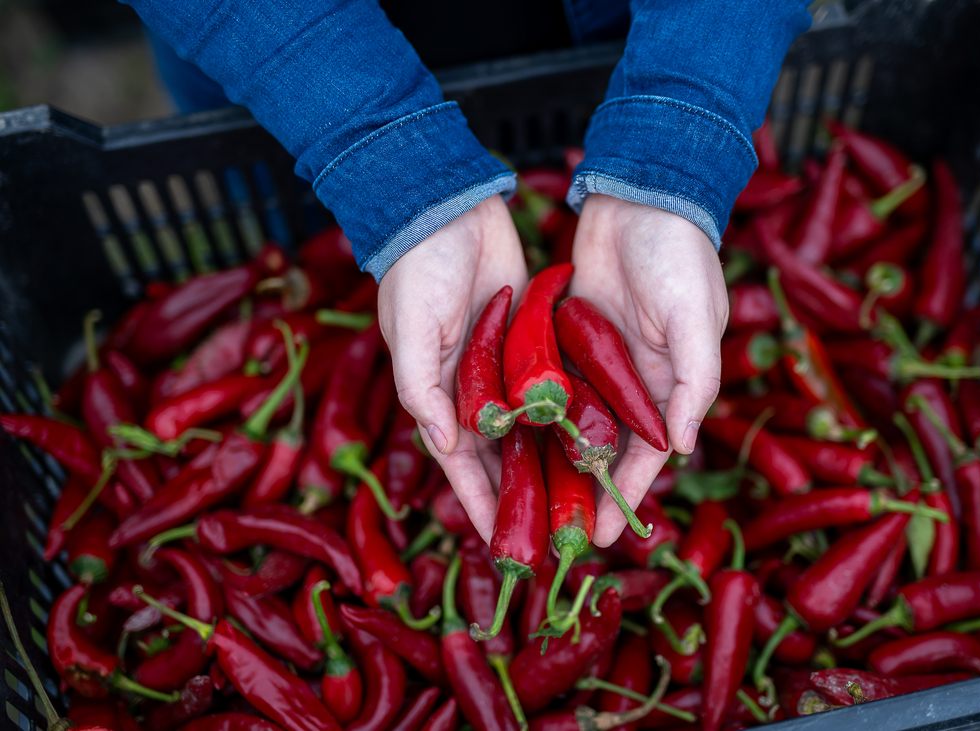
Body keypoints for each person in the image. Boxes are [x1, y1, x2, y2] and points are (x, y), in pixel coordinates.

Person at [125, 0, 813, 547]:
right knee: (304, 222)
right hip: (287, 48)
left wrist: (674, 148)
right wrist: (393, 177)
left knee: (304, 253)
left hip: (621, 25)